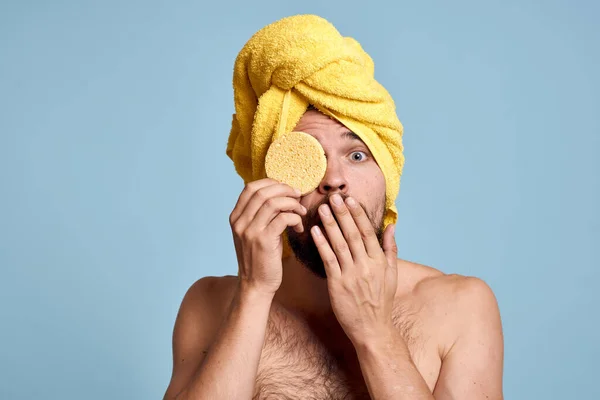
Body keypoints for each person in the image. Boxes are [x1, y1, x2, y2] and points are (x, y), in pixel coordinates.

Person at [163, 15, 503, 400]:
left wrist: (375, 332)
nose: (334, 179)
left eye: (357, 154)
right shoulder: (208, 304)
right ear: (271, 183)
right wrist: (254, 293)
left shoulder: (461, 307)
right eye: (307, 156)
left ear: (387, 179)